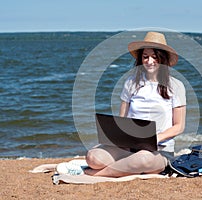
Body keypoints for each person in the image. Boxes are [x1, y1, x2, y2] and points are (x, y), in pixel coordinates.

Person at [56, 32, 186, 177]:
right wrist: (118, 136)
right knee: (93, 157)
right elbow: (122, 118)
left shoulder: (176, 85)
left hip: (160, 150)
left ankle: (88, 174)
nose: (150, 61)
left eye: (155, 57)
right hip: (129, 146)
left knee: (143, 159)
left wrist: (155, 138)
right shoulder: (131, 83)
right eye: (145, 57)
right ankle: (98, 167)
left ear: (163, 59)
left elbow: (179, 126)